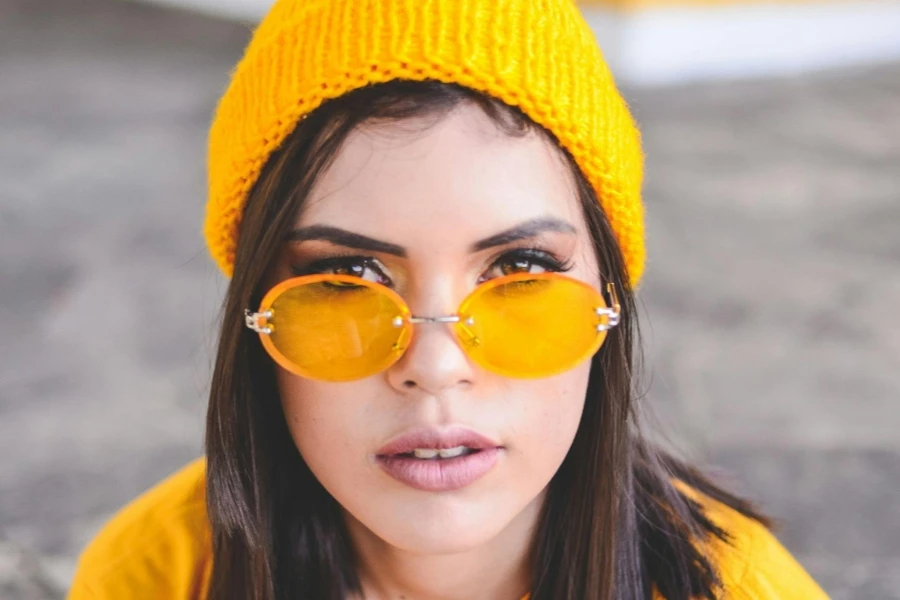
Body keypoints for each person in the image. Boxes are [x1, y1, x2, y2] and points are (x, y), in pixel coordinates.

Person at [67, 0, 829, 598]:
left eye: (522, 269)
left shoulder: (740, 588)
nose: (434, 367)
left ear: (609, 300)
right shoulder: (153, 575)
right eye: (347, 278)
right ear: (255, 313)